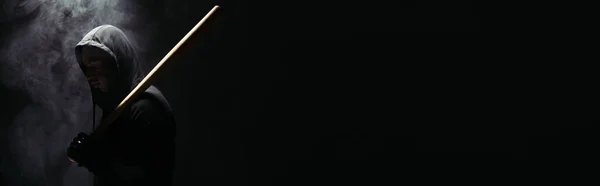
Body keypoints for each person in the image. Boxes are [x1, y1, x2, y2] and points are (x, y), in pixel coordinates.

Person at [67, 25, 176, 186]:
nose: (89, 76)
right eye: (86, 68)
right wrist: (87, 150)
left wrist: (97, 162)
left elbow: (151, 179)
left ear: (118, 62)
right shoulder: (115, 108)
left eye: (95, 65)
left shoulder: (146, 109)